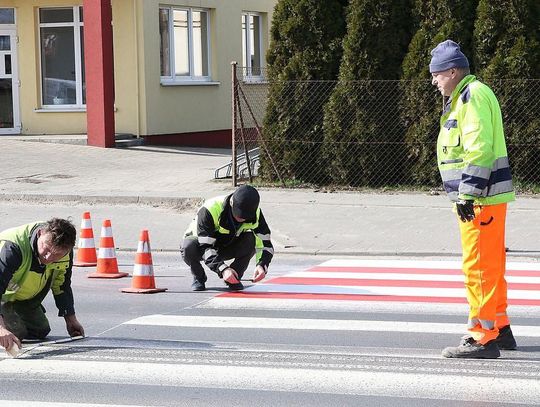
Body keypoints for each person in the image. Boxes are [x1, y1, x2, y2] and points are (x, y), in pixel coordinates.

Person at [429, 40, 516, 359]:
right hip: (486, 197)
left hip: (479, 198)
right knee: (490, 264)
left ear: (452, 71)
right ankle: (501, 326)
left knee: (478, 266)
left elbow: (479, 148)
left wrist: (467, 192)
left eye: (437, 75)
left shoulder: (470, 96)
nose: (435, 81)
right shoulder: (471, 94)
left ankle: (482, 336)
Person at [0, 218, 85, 353]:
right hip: (3, 295)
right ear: (40, 233)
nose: (48, 257)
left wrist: (71, 319)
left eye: (57, 254)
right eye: (46, 248)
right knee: (17, 333)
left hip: (22, 297)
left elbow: (62, 285)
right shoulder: (13, 247)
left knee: (40, 330)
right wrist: (1, 328)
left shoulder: (65, 252)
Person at [181, 185, 274, 291]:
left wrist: (262, 265)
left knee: (250, 240)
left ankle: (234, 277)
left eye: (245, 217)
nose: (241, 219)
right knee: (188, 247)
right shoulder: (210, 209)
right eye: (238, 215)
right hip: (200, 246)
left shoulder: (256, 213)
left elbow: (266, 244)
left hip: (227, 244)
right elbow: (205, 247)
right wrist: (223, 269)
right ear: (231, 203)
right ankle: (199, 277)